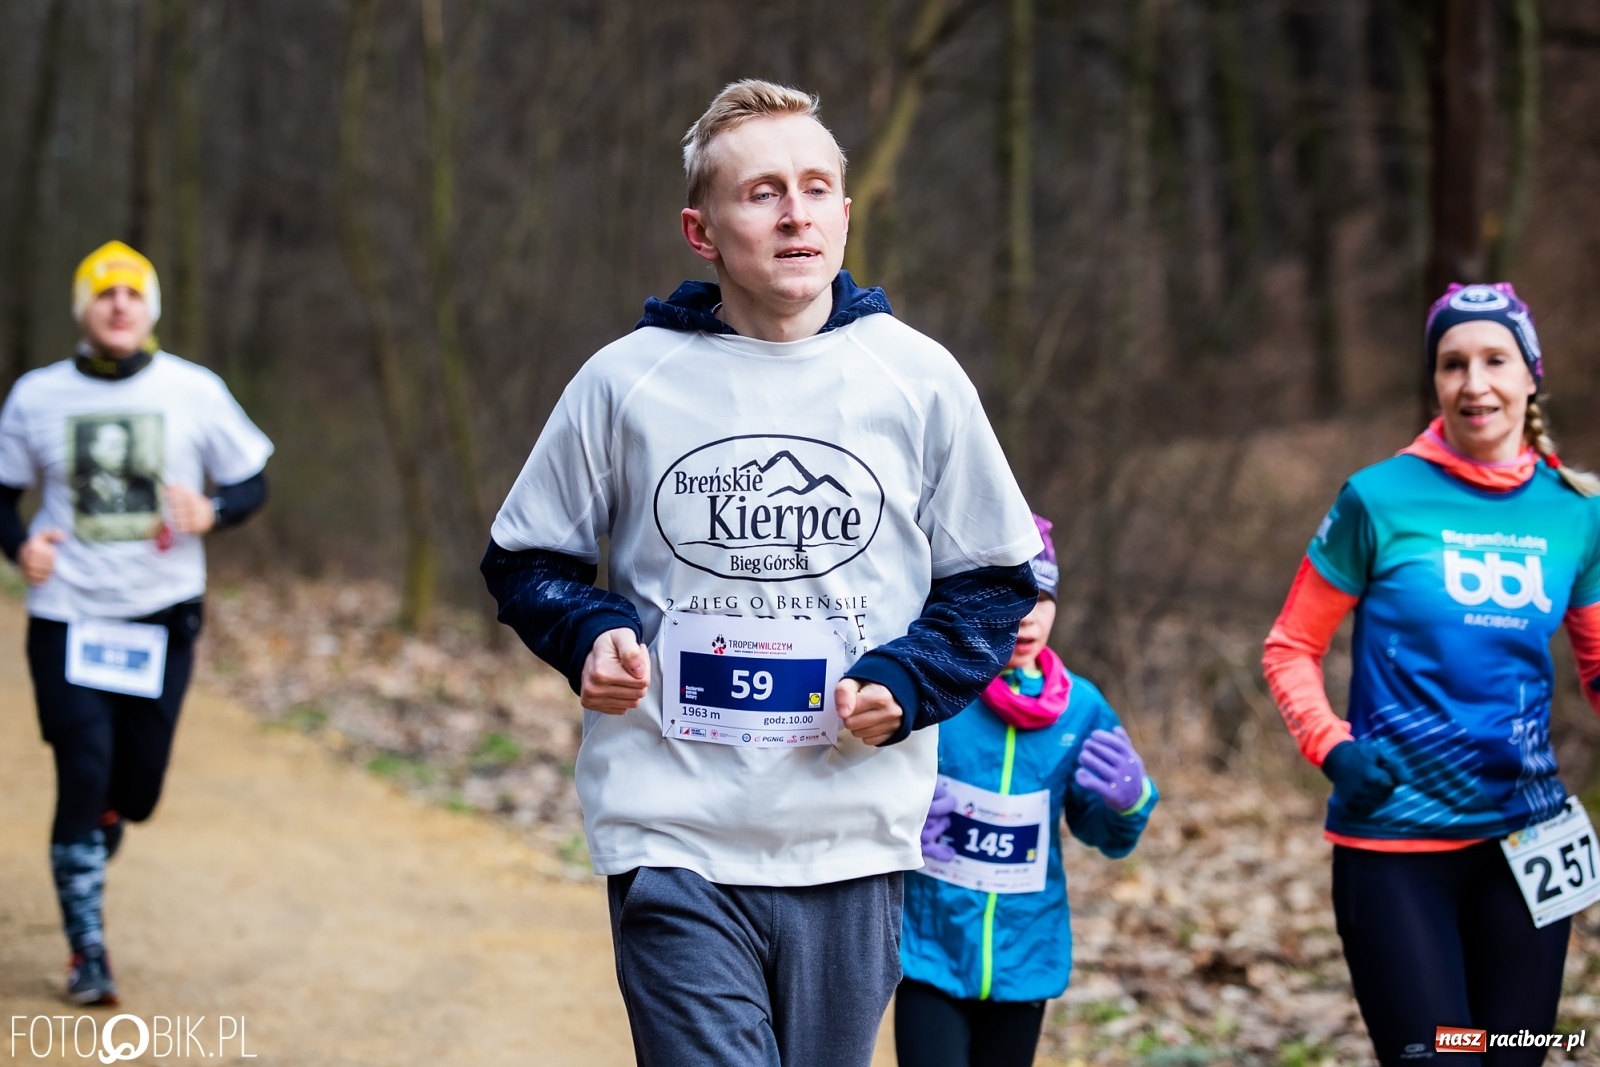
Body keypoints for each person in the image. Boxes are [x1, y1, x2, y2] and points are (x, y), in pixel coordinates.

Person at [481, 80, 1041, 1067]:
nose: (795, 212)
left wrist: (910, 679)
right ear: (701, 230)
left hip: (851, 833)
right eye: (763, 192)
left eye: (817, 187)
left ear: (845, 214)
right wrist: (585, 630)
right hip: (670, 827)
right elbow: (528, 555)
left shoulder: (916, 377)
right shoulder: (627, 379)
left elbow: (993, 578)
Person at [1262, 283, 1600, 1066]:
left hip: (1528, 842)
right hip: (1396, 844)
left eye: (1494, 360)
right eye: (1452, 364)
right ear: (1435, 381)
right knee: (1444, 1055)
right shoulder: (1377, 498)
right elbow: (1289, 646)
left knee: (1512, 1053)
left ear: (1530, 375)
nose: (1473, 383)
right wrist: (1333, 747)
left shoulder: (1578, 510)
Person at [0, 241, 274, 1005]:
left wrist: (212, 510)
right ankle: (88, 950)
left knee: (138, 788)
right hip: (68, 614)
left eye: (132, 292)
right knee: (82, 766)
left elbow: (253, 480)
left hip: (161, 616)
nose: (118, 303)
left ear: (149, 308)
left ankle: (101, 823)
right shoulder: (36, 396)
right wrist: (21, 545)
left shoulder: (194, 389)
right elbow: (2, 492)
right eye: (103, 292)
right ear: (84, 309)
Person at [895, 515, 1158, 1067]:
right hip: (931, 945)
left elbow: (1104, 836)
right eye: (1013, 597)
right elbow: (869, 788)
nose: (1027, 616)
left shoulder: (1083, 707)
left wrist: (1129, 804)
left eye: (1042, 599)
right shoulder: (938, 686)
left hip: (1025, 952)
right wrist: (908, 812)